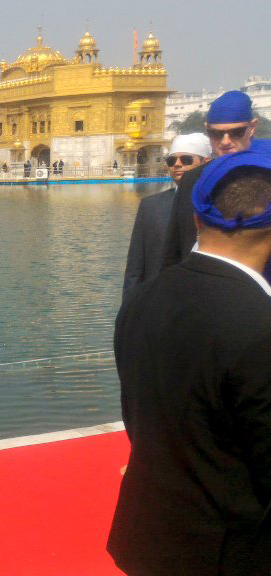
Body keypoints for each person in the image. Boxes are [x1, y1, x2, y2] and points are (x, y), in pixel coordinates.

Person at [109, 151, 271, 575]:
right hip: (231, 552)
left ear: (197, 220)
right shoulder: (260, 323)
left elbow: (138, 421)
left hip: (149, 537)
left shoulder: (143, 300)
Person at [161, 90, 270, 276]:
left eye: (236, 132)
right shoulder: (192, 180)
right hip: (205, 287)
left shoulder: (267, 175)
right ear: (207, 130)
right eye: (217, 134)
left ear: (252, 128)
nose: (226, 142)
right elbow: (175, 250)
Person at [122, 133, 211, 298]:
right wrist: (129, 312)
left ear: (205, 163)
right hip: (159, 300)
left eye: (186, 159)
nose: (177, 165)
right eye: (171, 161)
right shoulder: (151, 206)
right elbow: (135, 267)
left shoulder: (218, 205)